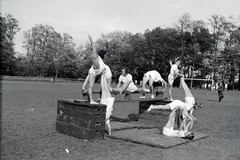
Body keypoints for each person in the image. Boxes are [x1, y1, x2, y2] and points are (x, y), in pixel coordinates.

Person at [82, 35, 112, 104]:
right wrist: (83, 86)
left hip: (98, 68)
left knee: (94, 56)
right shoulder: (95, 64)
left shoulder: (102, 64)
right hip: (94, 70)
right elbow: (87, 78)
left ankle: (99, 98)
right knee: (91, 86)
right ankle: (92, 100)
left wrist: (108, 86)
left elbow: (107, 78)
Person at [100, 68, 115, 135]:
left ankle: (103, 74)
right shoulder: (106, 119)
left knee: (104, 88)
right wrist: (109, 132)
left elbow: (108, 126)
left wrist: (109, 132)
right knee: (104, 88)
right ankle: (103, 74)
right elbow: (108, 127)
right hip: (108, 104)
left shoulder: (105, 119)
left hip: (106, 105)